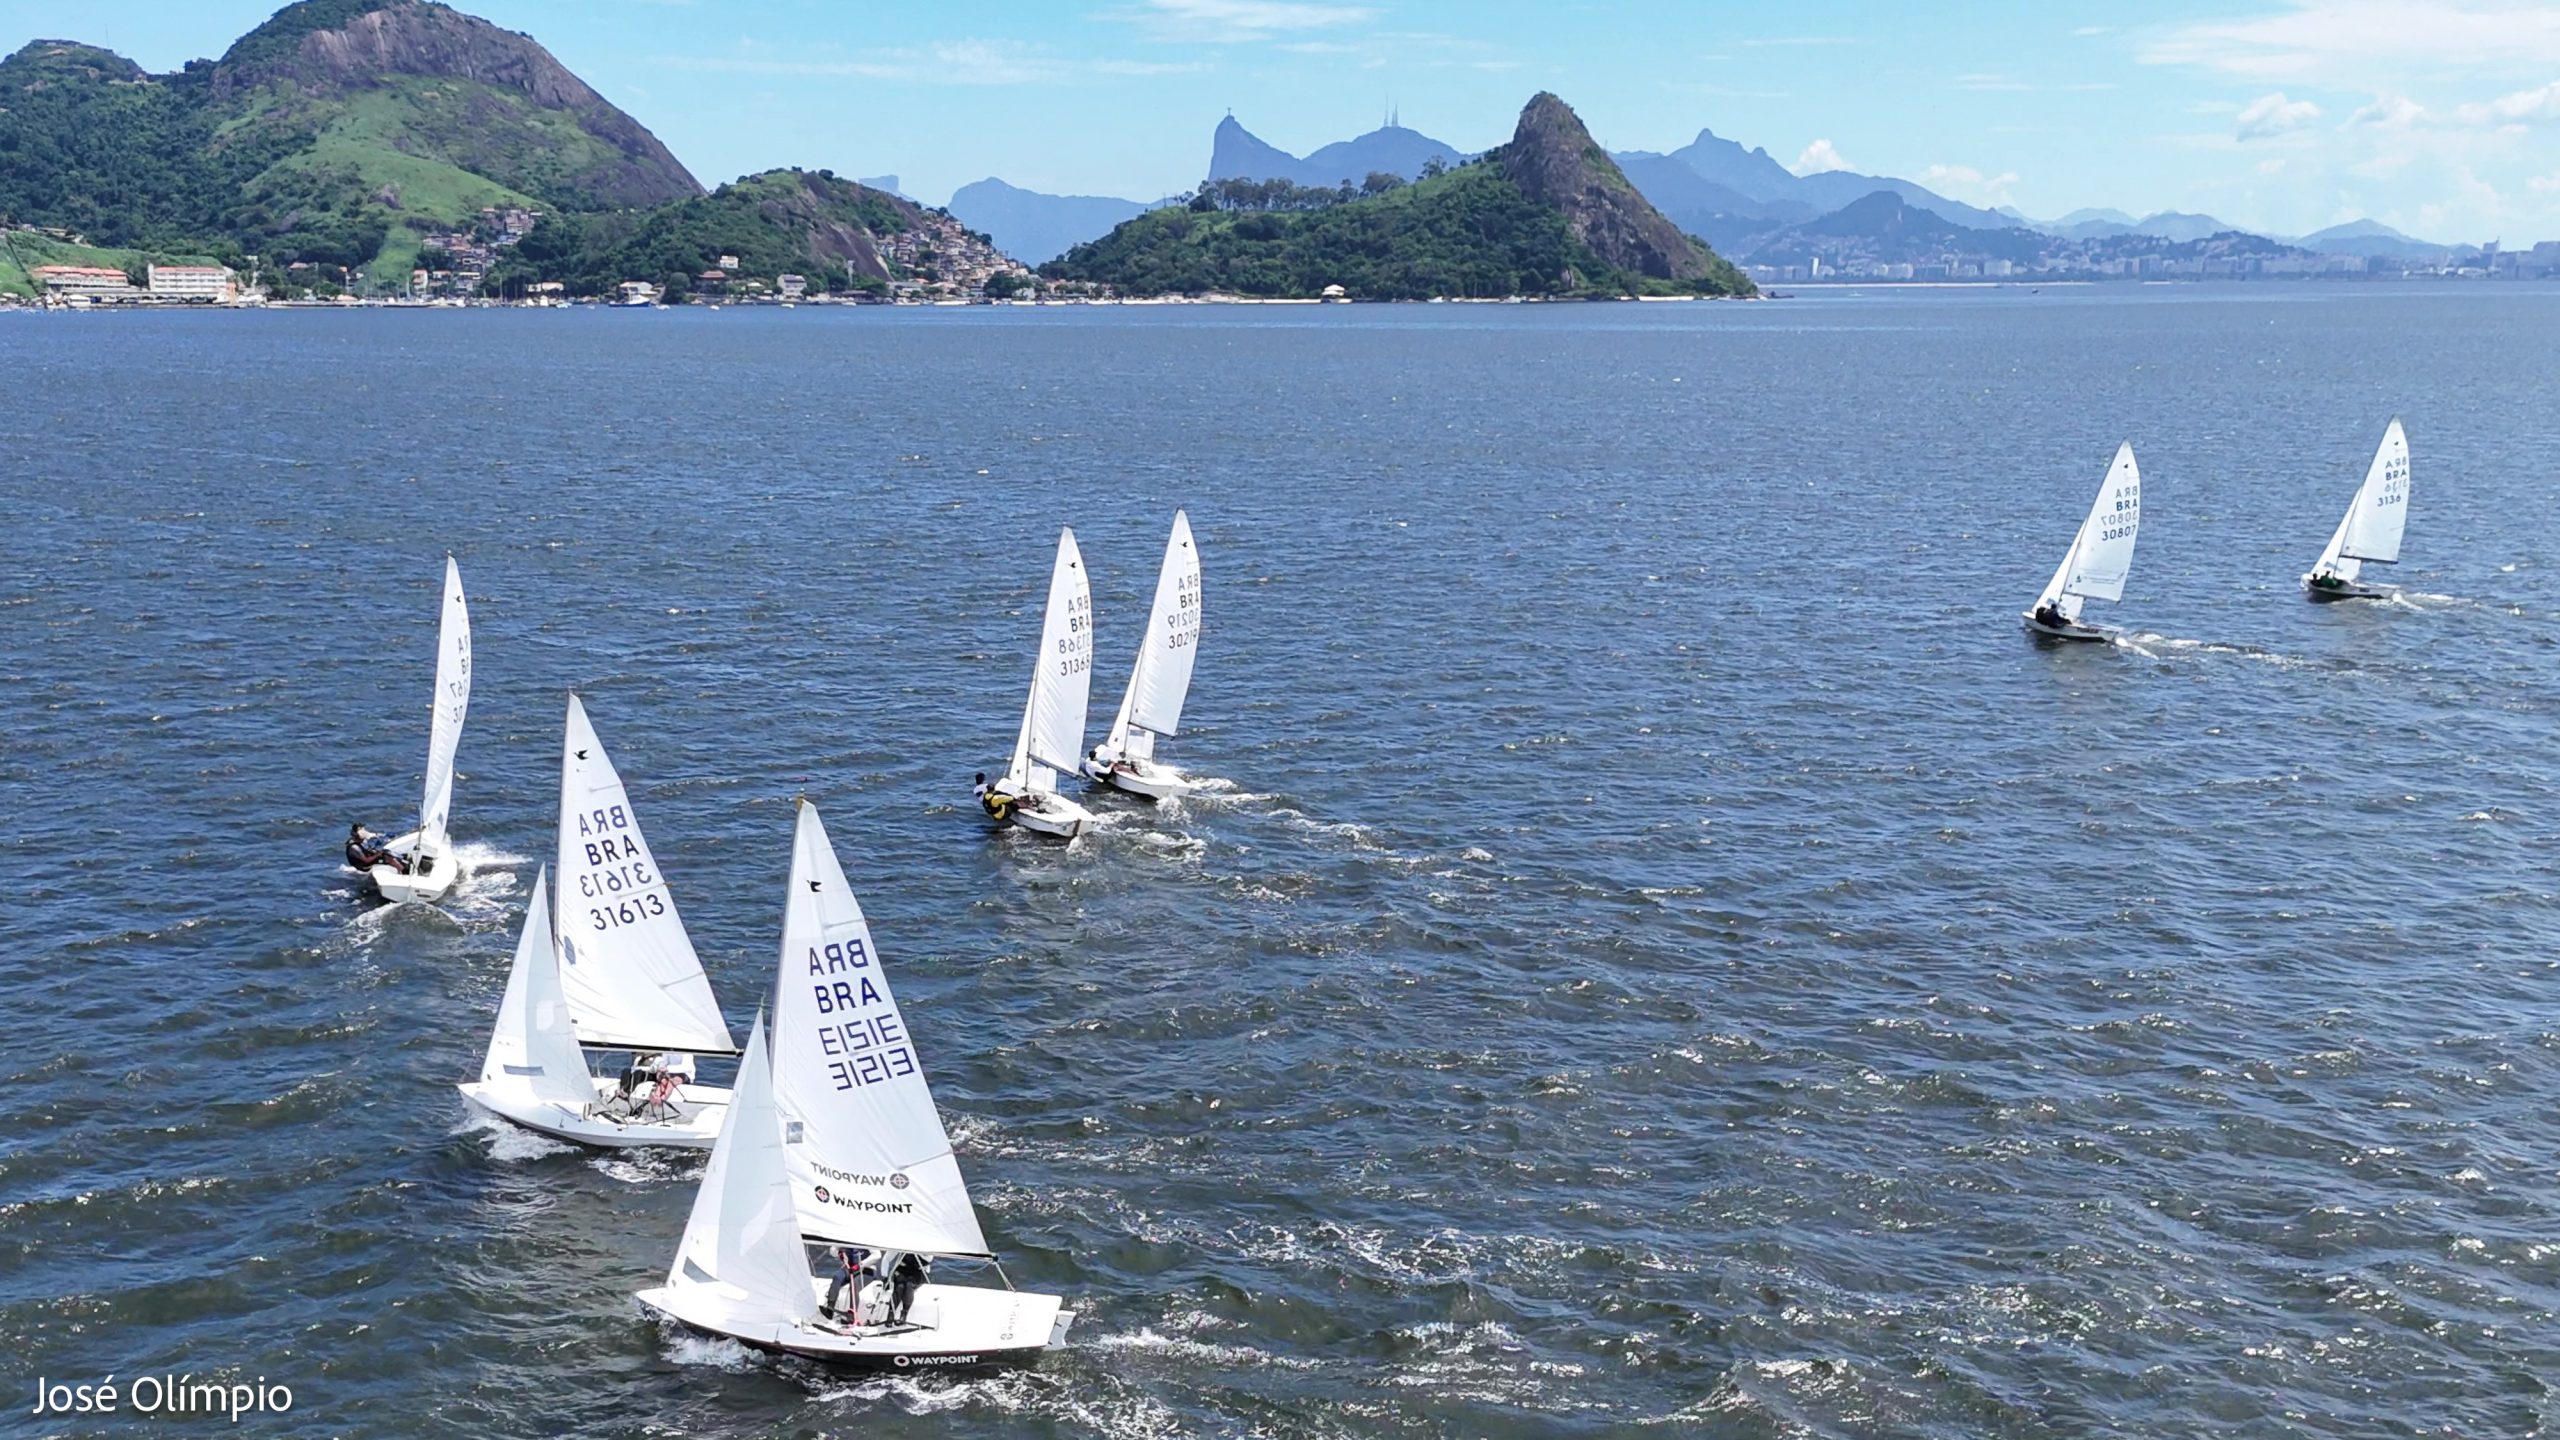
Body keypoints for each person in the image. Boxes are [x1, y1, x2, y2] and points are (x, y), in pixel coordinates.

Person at [823, 1246, 872, 1322]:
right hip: (850, 1267)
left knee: (854, 1283)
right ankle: (830, 1308)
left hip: (866, 1269)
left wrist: (860, 1265)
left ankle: (852, 1314)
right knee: (837, 1277)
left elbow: (877, 1255)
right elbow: (832, 1249)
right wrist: (839, 1253)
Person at [888, 1251, 928, 1325]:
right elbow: (888, 1258)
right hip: (902, 1270)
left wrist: (916, 1251)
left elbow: (929, 1259)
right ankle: (891, 1314)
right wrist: (885, 1276)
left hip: (918, 1271)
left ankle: (904, 1314)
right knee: (900, 1286)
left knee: (909, 1285)